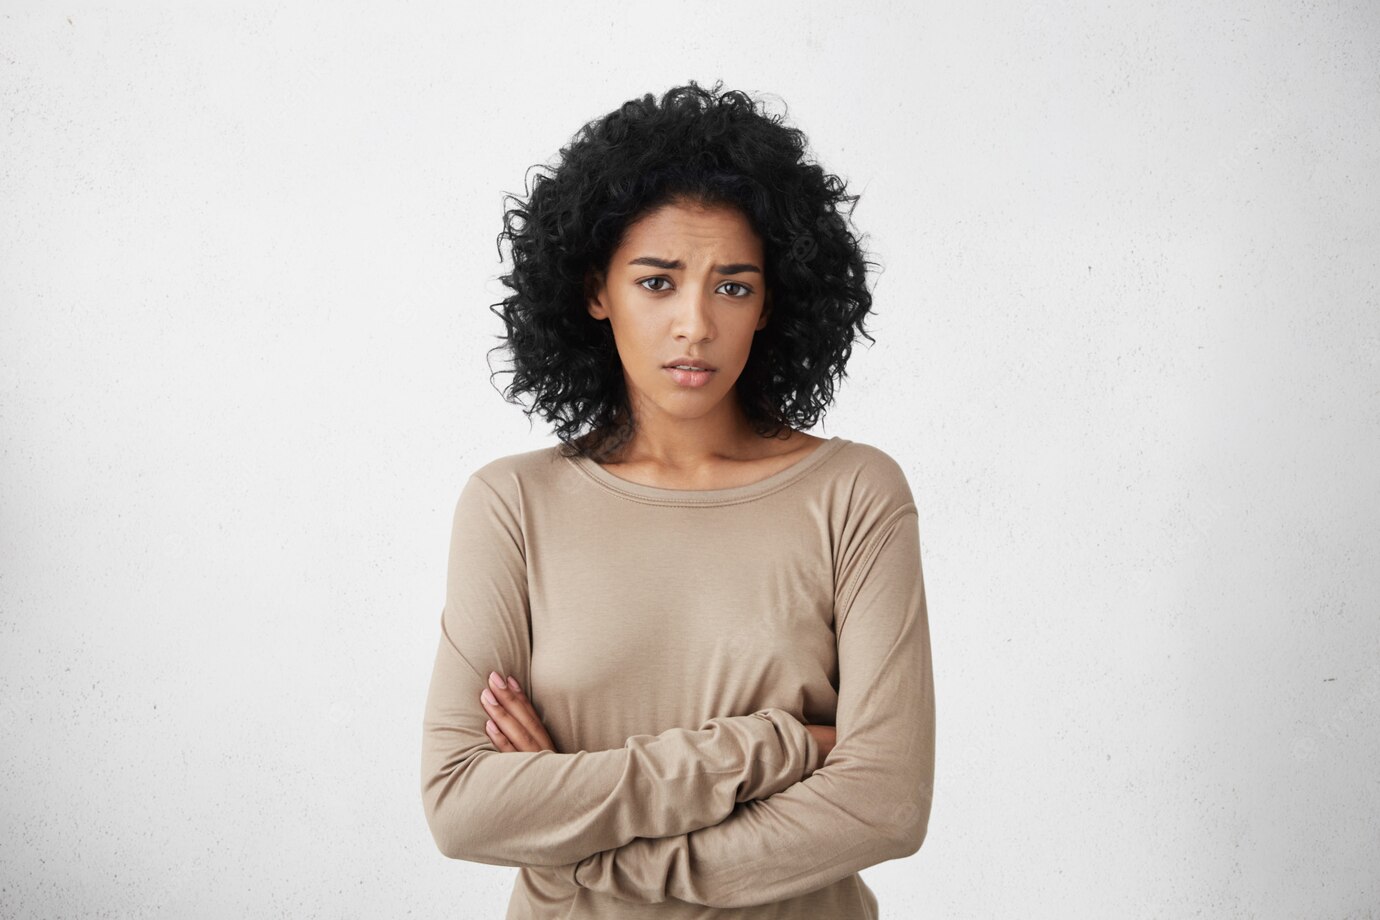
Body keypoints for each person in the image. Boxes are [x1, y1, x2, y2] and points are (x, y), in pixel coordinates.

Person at [420, 80, 935, 919]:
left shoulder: (854, 494)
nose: (695, 323)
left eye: (732, 286)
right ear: (596, 292)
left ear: (772, 301)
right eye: (658, 282)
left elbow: (885, 803)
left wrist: (585, 856)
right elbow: (462, 804)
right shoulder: (512, 505)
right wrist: (771, 746)